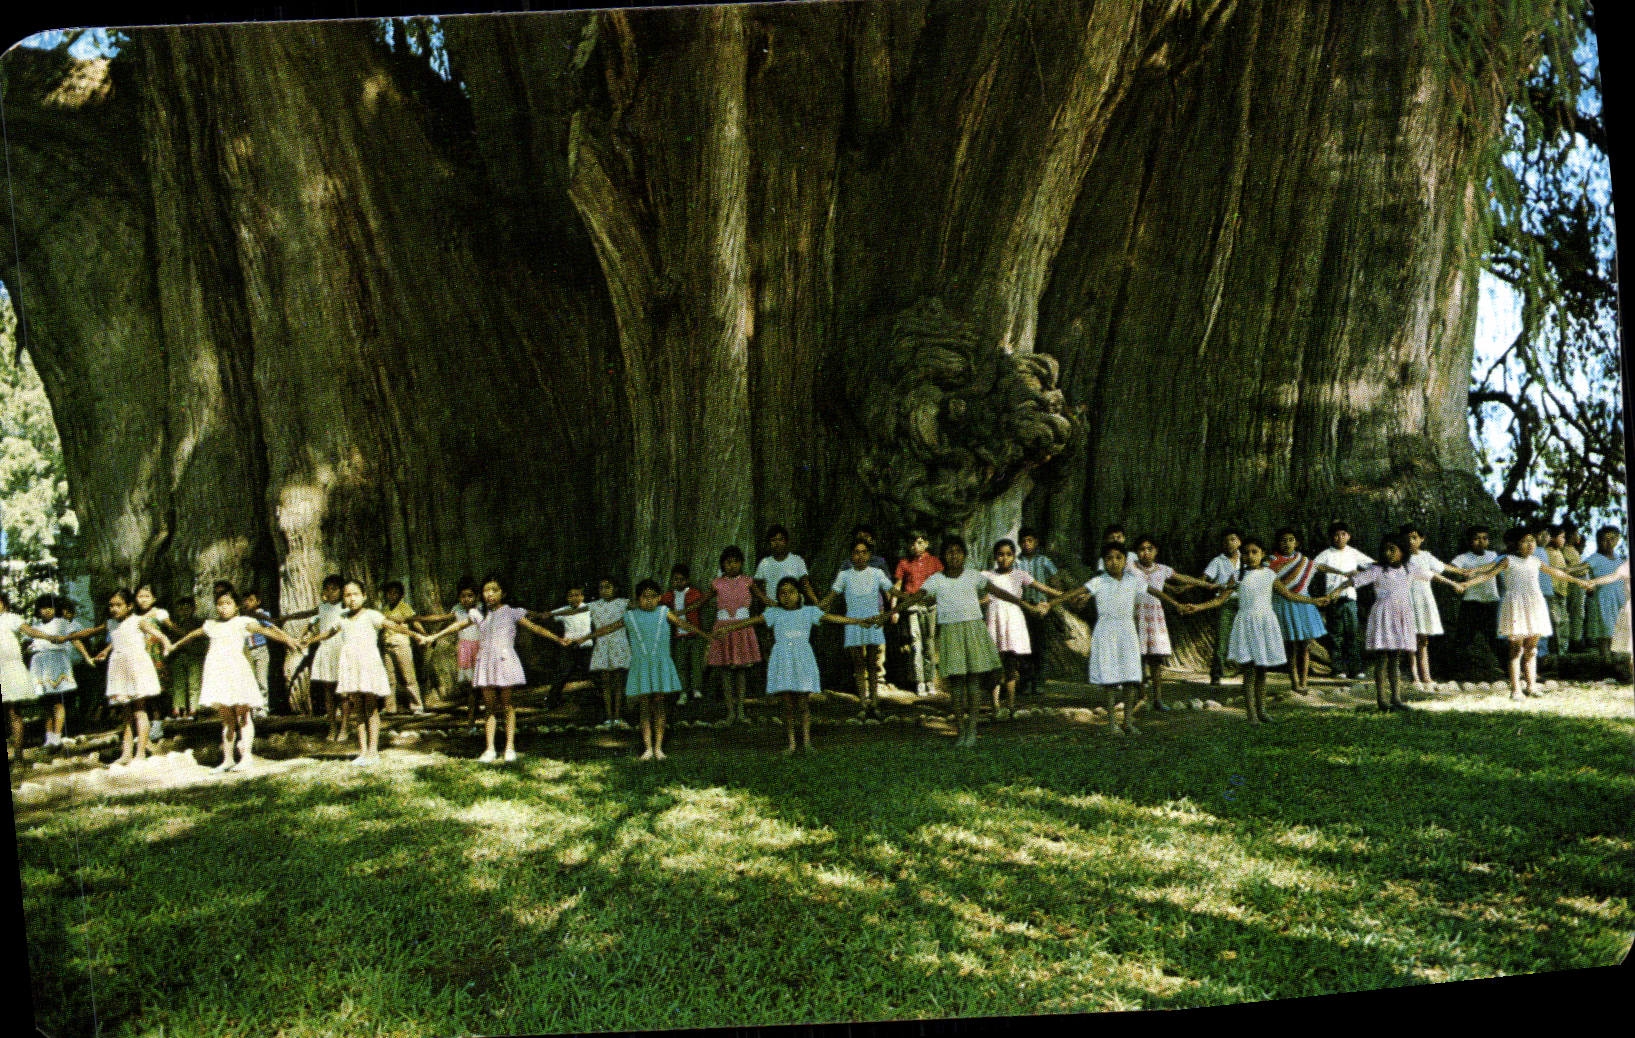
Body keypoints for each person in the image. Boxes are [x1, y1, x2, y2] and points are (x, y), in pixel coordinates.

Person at [886, 535, 1037, 747]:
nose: (954, 556)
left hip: (973, 630)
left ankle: (973, 729)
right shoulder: (936, 580)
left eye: (958, 552)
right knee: (957, 684)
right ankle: (961, 729)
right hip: (950, 632)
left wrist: (1026, 605)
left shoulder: (973, 576)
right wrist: (888, 613)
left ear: (965, 556)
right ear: (943, 557)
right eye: (949, 552)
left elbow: (999, 592)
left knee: (973, 682)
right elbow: (915, 597)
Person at [714, 577, 884, 754]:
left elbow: (831, 618)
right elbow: (752, 621)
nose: (787, 597)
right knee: (787, 704)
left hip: (802, 659)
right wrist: (728, 629)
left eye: (791, 592)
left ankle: (807, 742)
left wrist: (857, 621)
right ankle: (791, 743)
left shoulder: (809, 612)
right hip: (782, 660)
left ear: (799, 594)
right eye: (782, 593)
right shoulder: (774, 613)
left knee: (803, 703)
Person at [1181, 537, 1334, 725]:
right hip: (1246, 623)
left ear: (1262, 554)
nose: (1250, 556)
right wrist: (1198, 607)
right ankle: (1251, 713)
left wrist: (1314, 601)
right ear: (1241, 555)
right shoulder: (1237, 576)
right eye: (1246, 553)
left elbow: (1289, 595)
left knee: (1262, 669)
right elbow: (1220, 600)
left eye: (1255, 552)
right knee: (1249, 671)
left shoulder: (1270, 575)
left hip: (1265, 622)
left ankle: (1262, 710)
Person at [571, 578, 713, 760]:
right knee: (644, 707)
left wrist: (706, 635)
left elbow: (684, 624)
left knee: (660, 706)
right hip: (641, 666)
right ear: (637, 599)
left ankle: (659, 748)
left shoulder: (664, 612)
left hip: (660, 665)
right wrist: (584, 638)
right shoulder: (630, 616)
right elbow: (608, 628)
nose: (649, 601)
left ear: (659, 598)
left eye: (653, 597)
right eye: (645, 597)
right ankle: (647, 748)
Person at [424, 575, 561, 762]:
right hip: (486, 662)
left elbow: (535, 628)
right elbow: (457, 625)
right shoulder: (478, 614)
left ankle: (509, 747)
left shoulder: (512, 612)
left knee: (507, 705)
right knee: (489, 707)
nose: (490, 594)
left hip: (505, 661)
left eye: (494, 590)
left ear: (503, 593)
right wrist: (434, 637)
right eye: (486, 590)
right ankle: (489, 749)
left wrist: (559, 639)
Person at [165, 589, 304, 772]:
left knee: (243, 715)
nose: (223, 608)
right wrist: (174, 645)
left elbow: (266, 630)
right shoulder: (212, 625)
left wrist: (288, 640)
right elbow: (193, 635)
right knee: (226, 719)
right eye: (220, 604)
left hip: (237, 672)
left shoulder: (243, 622)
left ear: (236, 606)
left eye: (228, 603)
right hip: (218, 673)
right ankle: (228, 758)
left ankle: (246, 756)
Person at [1461, 528, 1595, 700]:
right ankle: (1516, 689)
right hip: (1516, 606)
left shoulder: (1536, 561)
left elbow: (1558, 573)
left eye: (1532, 540)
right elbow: (1487, 575)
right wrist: (1467, 584)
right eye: (1525, 541)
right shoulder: (1508, 560)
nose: (1530, 544)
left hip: (1534, 605)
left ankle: (1531, 686)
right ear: (1516, 544)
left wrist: (1579, 581)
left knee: (1531, 649)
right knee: (1516, 650)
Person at [1324, 536, 1451, 713]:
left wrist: (1454, 583)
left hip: (1401, 616)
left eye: (1393, 549)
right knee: (1382, 658)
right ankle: (1382, 700)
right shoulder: (1377, 570)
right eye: (1385, 549)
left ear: (1402, 551)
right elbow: (1354, 581)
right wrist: (1336, 591)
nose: (1388, 553)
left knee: (1395, 659)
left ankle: (1396, 698)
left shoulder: (1408, 568)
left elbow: (1431, 575)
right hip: (1383, 616)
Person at [53, 589, 175, 769]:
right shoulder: (111, 623)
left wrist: (166, 646)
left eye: (118, 605)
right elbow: (90, 632)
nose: (114, 609)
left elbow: (160, 635)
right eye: (111, 605)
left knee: (139, 710)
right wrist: (67, 637)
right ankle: (126, 753)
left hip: (136, 667)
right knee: (125, 714)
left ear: (129, 606)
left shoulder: (137, 621)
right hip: (119, 667)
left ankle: (140, 752)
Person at [1062, 542, 1156, 736]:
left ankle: (1128, 721)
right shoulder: (1099, 581)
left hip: (1127, 630)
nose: (1113, 562)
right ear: (1103, 562)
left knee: (1131, 677)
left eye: (1118, 558)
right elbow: (1075, 592)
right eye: (1109, 558)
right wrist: (1050, 603)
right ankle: (1112, 722)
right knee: (1110, 679)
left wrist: (1177, 603)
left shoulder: (1133, 580)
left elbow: (1154, 591)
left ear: (1125, 560)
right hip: (1106, 631)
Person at [982, 538, 1067, 716]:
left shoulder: (1020, 575)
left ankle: (1011, 704)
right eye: (1000, 554)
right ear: (995, 557)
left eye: (1008, 554)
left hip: (1012, 620)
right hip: (994, 620)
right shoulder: (987, 576)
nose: (1004, 558)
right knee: (995, 665)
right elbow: (982, 597)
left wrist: (1065, 595)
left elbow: (1041, 587)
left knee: (1011, 662)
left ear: (1014, 556)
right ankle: (995, 705)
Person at [819, 539, 896, 720]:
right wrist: (814, 608)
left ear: (869, 555)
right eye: (856, 552)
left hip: (873, 621)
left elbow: (892, 591)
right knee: (858, 664)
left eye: (864, 552)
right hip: (853, 621)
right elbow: (831, 596)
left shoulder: (877, 573)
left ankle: (875, 703)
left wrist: (912, 597)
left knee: (873, 662)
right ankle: (862, 704)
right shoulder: (844, 575)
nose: (860, 556)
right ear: (851, 556)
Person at [1400, 524, 1478, 686]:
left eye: (1414, 537)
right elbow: (1432, 575)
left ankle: (1426, 676)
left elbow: (1441, 567)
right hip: (1408, 598)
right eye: (1407, 538)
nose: (1410, 541)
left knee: (1423, 639)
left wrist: (1461, 572)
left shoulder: (1426, 556)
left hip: (1424, 598)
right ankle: (1415, 676)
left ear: (1421, 539)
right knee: (1410, 638)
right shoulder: (1401, 557)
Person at [1124, 536, 1190, 713]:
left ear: (1156, 551)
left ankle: (1158, 698)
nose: (1145, 553)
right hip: (1135, 615)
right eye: (1141, 549)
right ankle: (1140, 697)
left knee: (1155, 660)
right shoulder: (1129, 568)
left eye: (1149, 549)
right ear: (1136, 552)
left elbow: (1181, 578)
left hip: (1154, 616)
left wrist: (1208, 584)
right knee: (1137, 658)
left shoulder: (1162, 569)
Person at [280, 575, 348, 741]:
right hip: (326, 650)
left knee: (344, 692)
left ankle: (345, 728)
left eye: (335, 589)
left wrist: (310, 640)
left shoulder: (345, 609)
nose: (331, 592)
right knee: (328, 691)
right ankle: (332, 727)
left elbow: (333, 630)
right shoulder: (322, 608)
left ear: (341, 591)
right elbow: (311, 623)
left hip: (341, 648)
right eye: (327, 589)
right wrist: (303, 637)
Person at [699, 546, 761, 724]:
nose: (732, 565)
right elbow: (702, 601)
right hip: (722, 628)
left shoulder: (747, 581)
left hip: (743, 628)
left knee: (741, 670)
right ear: (723, 565)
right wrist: (684, 611)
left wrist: (777, 605)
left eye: (735, 561)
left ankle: (741, 711)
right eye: (728, 562)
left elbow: (762, 598)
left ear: (741, 563)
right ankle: (730, 712)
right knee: (725, 670)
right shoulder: (717, 583)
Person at [1267, 529, 1327, 695]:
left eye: (1291, 540)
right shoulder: (1271, 562)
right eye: (1283, 540)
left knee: (1305, 647)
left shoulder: (1304, 561)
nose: (1287, 543)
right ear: (1278, 543)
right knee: (1291, 647)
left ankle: (1304, 681)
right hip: (1284, 604)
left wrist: (1342, 573)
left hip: (1303, 606)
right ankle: (1294, 681)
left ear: (1297, 542)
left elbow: (1320, 567)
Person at [416, 578, 484, 723]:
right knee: (471, 683)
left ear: (476, 596)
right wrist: (416, 618)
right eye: (463, 596)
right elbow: (440, 618)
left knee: (482, 681)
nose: (466, 599)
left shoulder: (480, 608)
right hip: (465, 648)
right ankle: (472, 712)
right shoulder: (457, 609)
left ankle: (484, 709)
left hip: (481, 647)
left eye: (470, 595)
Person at [1312, 522, 1373, 680]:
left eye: (1343, 534)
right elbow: (1314, 566)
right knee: (1335, 635)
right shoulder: (1326, 554)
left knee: (1352, 633)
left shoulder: (1353, 553)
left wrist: (1358, 573)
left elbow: (1372, 565)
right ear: (1332, 537)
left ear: (1348, 536)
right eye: (1336, 535)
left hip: (1350, 598)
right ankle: (1338, 669)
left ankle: (1356, 668)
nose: (1340, 538)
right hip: (1333, 599)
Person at [2, 592, 58, 762]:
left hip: (9, 669)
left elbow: (30, 631)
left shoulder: (10, 618)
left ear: (4, 604)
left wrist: (48, 636)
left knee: (13, 712)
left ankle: (18, 754)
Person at [892, 530, 943, 696]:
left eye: (920, 542)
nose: (916, 546)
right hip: (912, 605)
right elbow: (898, 587)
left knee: (929, 642)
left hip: (931, 605)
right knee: (916, 643)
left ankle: (930, 680)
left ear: (926, 544)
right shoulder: (904, 563)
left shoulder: (934, 562)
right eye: (913, 543)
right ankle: (919, 681)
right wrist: (895, 609)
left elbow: (941, 584)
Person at [26, 595, 79, 750]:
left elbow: (74, 638)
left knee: (57, 701)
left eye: (50, 607)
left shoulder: (62, 623)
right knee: (46, 703)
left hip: (56, 662)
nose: (47, 611)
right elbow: (28, 642)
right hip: (40, 664)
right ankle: (48, 737)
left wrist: (86, 655)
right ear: (38, 610)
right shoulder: (35, 626)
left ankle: (57, 736)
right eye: (43, 608)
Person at [1450, 526, 1503, 675]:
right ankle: (1456, 672)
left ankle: (1505, 668)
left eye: (1484, 538)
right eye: (1476, 539)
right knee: (1464, 638)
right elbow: (1454, 570)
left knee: (1496, 638)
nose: (1481, 542)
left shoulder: (1493, 555)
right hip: (1471, 602)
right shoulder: (1463, 558)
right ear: (1469, 541)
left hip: (1491, 602)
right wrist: (1459, 579)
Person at [1013, 527, 1059, 696]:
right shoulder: (1016, 562)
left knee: (1040, 645)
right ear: (1019, 543)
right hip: (1022, 608)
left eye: (1030, 540)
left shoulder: (1044, 561)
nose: (1026, 544)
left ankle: (1039, 681)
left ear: (1036, 542)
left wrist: (1052, 603)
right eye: (1023, 541)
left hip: (1041, 608)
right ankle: (1025, 681)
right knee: (1023, 646)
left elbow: (1055, 581)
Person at [1197, 529, 1244, 685]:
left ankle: (1242, 671)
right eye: (1226, 541)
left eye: (1233, 539)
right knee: (1222, 638)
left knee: (1244, 638)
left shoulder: (1246, 559)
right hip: (1225, 603)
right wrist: (1216, 585)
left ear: (1239, 542)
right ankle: (1216, 674)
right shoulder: (1218, 561)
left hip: (1245, 602)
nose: (1230, 543)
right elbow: (1204, 580)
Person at [587, 578, 632, 728]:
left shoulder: (623, 603)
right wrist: (548, 614)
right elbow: (574, 609)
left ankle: (618, 716)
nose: (604, 590)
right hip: (602, 645)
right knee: (605, 682)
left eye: (608, 587)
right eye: (601, 587)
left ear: (615, 588)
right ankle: (608, 716)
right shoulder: (594, 605)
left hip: (619, 644)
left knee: (618, 681)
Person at [660, 565, 708, 707]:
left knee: (696, 663)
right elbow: (660, 602)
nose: (678, 582)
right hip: (679, 635)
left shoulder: (694, 593)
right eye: (675, 580)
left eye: (682, 580)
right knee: (681, 665)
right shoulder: (669, 595)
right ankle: (683, 692)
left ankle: (696, 688)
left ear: (687, 580)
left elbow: (702, 602)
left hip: (694, 634)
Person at [545, 586, 595, 710]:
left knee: (593, 673)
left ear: (582, 596)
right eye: (571, 595)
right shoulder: (563, 611)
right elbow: (549, 618)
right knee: (563, 673)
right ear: (567, 598)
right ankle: (552, 701)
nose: (574, 598)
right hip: (570, 647)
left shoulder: (589, 609)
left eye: (577, 595)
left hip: (586, 646)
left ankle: (598, 701)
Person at [379, 580, 424, 715]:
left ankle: (417, 706)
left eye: (395, 593)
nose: (392, 596)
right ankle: (390, 707)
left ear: (401, 595)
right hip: (388, 645)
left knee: (408, 676)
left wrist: (424, 635)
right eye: (389, 593)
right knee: (389, 678)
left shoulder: (404, 607)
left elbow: (414, 622)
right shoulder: (384, 609)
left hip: (402, 644)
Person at [1581, 527, 1626, 658]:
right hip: (1602, 601)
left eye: (1612, 539)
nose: (1608, 542)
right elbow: (1580, 569)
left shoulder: (1620, 559)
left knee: (1617, 633)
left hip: (1619, 600)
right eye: (1604, 539)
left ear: (1617, 539)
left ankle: (1617, 663)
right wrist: (1560, 571)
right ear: (1598, 541)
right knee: (1604, 635)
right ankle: (1606, 664)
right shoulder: (1595, 558)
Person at [753, 525, 818, 608]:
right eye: (773, 540)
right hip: (773, 609)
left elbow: (806, 585)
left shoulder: (797, 560)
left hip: (795, 608)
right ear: (769, 543)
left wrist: (816, 602)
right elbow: (755, 586)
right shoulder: (764, 563)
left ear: (786, 541)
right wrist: (766, 600)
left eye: (780, 539)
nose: (777, 543)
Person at [167, 596, 206, 720]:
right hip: (178, 656)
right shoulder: (175, 622)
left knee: (194, 683)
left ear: (193, 609)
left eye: (187, 608)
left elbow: (188, 635)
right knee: (178, 684)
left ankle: (194, 710)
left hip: (194, 655)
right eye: (180, 609)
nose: (183, 611)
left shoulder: (199, 622)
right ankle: (179, 710)